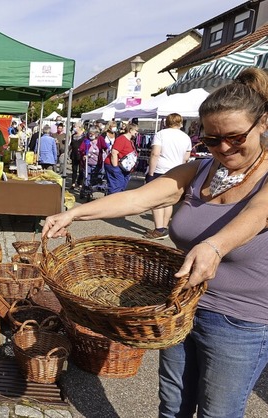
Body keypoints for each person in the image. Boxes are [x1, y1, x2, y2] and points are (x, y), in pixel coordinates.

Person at [43, 67, 268, 418]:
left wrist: (215, 246)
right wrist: (75, 214)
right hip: (178, 307)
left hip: (240, 322)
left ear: (263, 124)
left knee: (218, 413)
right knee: (172, 405)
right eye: (211, 139)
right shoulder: (200, 170)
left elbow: (258, 214)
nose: (224, 148)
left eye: (236, 137)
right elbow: (138, 199)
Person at [143, 113, 192, 240]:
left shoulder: (161, 134)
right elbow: (186, 158)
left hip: (161, 169)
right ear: (180, 122)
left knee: (156, 200)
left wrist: (151, 173)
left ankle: (159, 229)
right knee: (168, 200)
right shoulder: (186, 137)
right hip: (177, 170)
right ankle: (163, 227)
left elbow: (155, 154)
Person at [104, 123, 138, 194]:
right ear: (130, 130)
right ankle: (112, 203)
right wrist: (115, 167)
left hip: (123, 168)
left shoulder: (130, 140)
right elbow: (114, 152)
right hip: (114, 165)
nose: (137, 133)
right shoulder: (122, 139)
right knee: (116, 187)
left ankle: (116, 202)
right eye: (136, 130)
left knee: (121, 186)